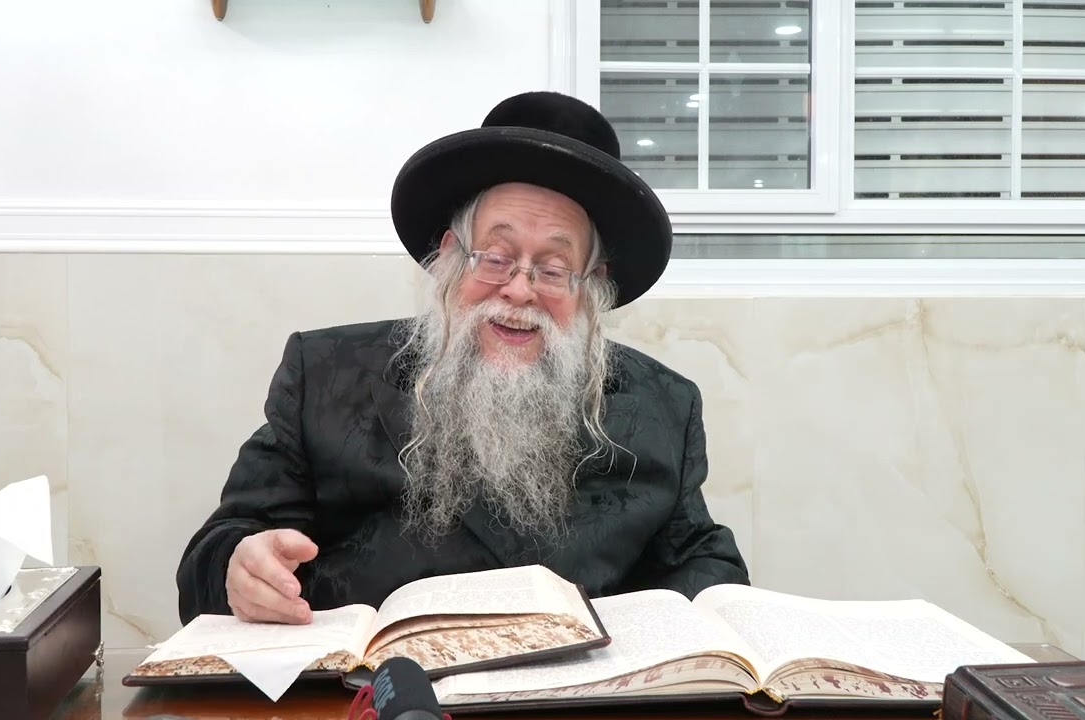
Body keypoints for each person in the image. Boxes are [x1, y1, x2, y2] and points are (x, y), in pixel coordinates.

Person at [176, 90, 749, 626]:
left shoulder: (661, 404)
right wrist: (240, 567)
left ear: (590, 286)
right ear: (451, 256)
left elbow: (705, 563)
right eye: (495, 258)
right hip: (371, 685)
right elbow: (218, 553)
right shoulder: (326, 372)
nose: (520, 291)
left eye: (553, 270)